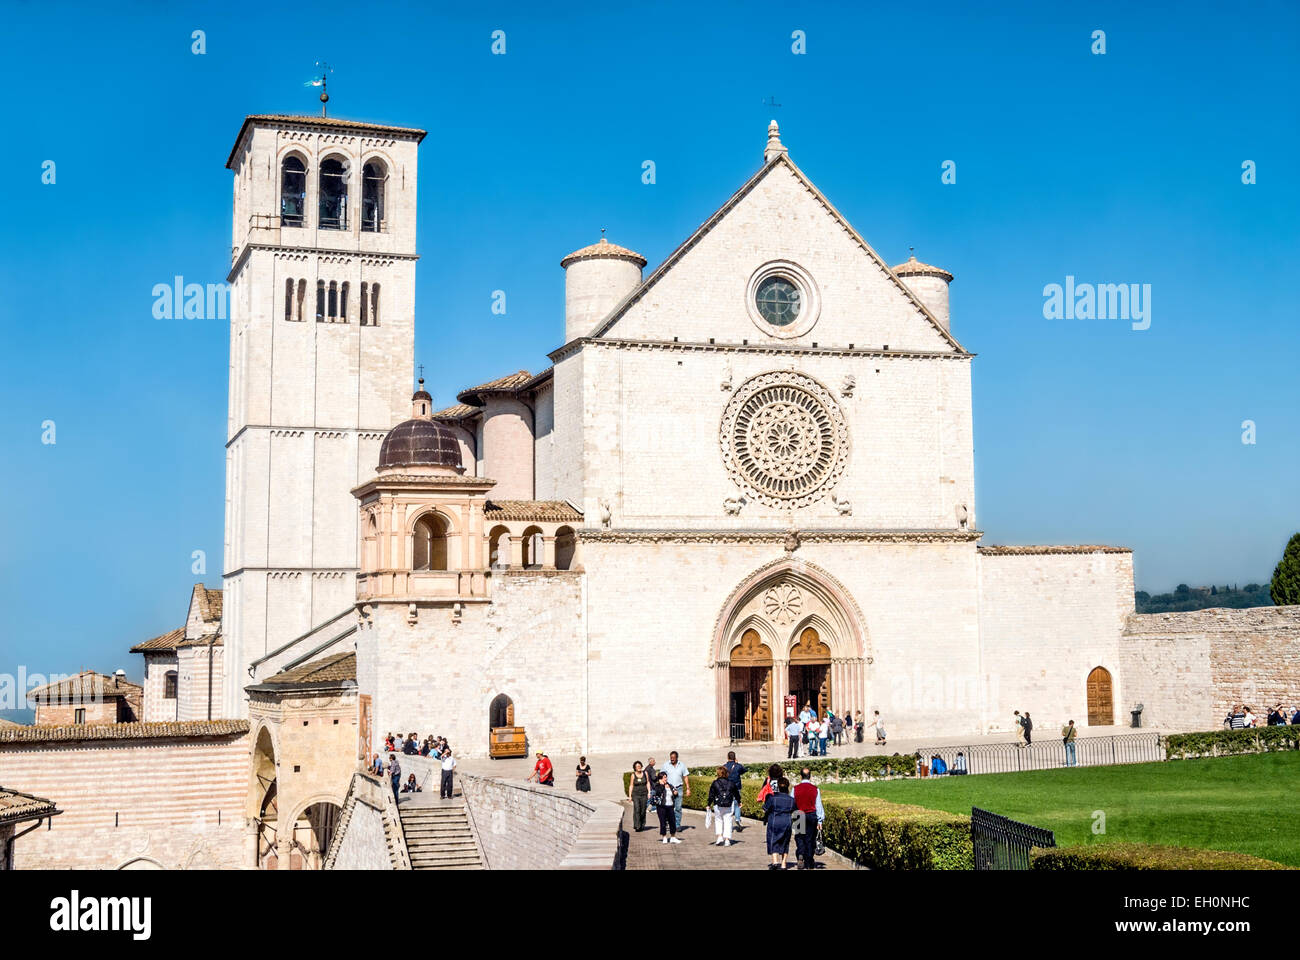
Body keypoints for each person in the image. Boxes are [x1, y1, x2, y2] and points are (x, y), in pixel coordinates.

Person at [792, 767, 825, 870]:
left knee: (800, 837)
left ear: (801, 776)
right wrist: (820, 820)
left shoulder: (795, 789)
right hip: (811, 814)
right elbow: (818, 805)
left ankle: (801, 854)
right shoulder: (815, 789)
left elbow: (792, 803)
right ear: (810, 776)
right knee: (810, 839)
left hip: (798, 814)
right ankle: (809, 860)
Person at [763, 776, 797, 870]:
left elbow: (765, 808)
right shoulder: (791, 800)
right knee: (785, 842)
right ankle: (783, 864)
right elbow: (795, 810)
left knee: (773, 839)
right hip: (786, 821)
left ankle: (775, 861)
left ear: (778, 786)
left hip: (774, 820)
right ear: (787, 787)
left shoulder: (772, 797)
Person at [707, 766, 736, 846]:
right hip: (729, 804)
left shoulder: (715, 783)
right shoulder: (731, 782)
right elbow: (736, 793)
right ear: (726, 773)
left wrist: (708, 804)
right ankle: (727, 840)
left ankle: (719, 837)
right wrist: (739, 801)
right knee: (728, 820)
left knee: (718, 820)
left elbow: (711, 795)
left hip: (718, 804)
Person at [662, 751, 690, 831]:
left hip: (679, 788)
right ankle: (668, 823)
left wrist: (688, 788)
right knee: (668, 807)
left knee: (678, 807)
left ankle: (677, 825)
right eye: (671, 758)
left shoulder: (682, 765)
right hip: (668, 789)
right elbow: (661, 776)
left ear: (677, 757)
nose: (672, 759)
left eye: (674, 758)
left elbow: (685, 777)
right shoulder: (666, 765)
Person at [652, 772, 681, 844]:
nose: (666, 778)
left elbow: (675, 793)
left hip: (670, 806)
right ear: (660, 778)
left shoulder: (670, 785)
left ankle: (673, 837)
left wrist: (675, 793)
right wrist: (662, 784)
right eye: (664, 777)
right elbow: (658, 792)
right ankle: (664, 837)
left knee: (672, 822)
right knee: (663, 822)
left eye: (666, 777)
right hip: (661, 807)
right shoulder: (657, 786)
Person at [723, 751, 746, 829]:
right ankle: (737, 818)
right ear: (735, 757)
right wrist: (737, 763)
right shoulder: (738, 766)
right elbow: (744, 770)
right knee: (737, 804)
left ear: (728, 757)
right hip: (737, 787)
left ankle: (728, 821)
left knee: (728, 805)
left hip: (728, 788)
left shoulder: (724, 766)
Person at [627, 761, 650, 832]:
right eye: (637, 766)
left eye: (640, 766)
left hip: (644, 794)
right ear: (635, 768)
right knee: (637, 809)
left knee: (643, 810)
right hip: (636, 794)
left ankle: (642, 824)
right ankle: (637, 826)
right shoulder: (633, 775)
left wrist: (649, 792)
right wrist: (630, 796)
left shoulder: (645, 773)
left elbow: (648, 783)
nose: (639, 767)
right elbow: (631, 785)